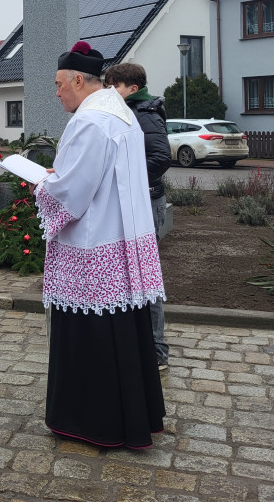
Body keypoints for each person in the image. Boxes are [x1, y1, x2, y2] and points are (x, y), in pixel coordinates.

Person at [34, 42, 166, 450]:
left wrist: (43, 184)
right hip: (121, 238)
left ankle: (92, 421)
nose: (56, 93)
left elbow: (73, 192)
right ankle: (135, 415)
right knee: (123, 331)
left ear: (77, 79)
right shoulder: (120, 113)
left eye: (58, 85)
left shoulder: (89, 121)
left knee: (92, 335)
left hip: (93, 246)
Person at [104, 62, 171, 370]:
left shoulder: (144, 113)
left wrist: (126, 180)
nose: (109, 91)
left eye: (114, 85)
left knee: (145, 273)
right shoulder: (126, 111)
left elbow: (160, 157)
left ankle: (157, 350)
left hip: (147, 201)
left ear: (132, 88)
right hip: (133, 200)